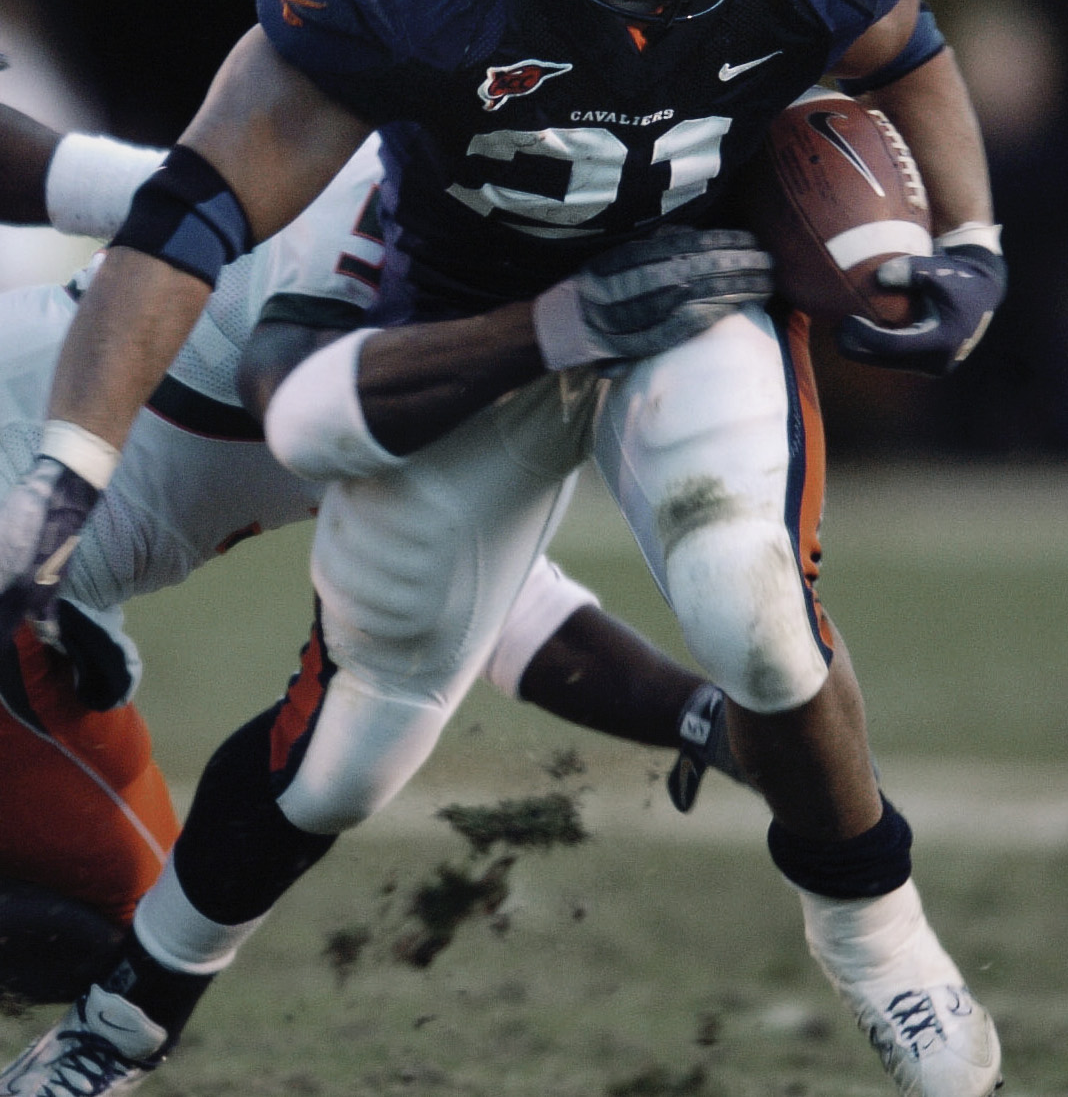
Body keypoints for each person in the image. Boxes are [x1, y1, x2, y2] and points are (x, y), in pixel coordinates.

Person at [0, 0, 1007, 1097]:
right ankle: (118, 1020)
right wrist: (67, 473)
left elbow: (901, 43)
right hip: (433, 328)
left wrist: (969, 238)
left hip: (678, 289)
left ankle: (887, 946)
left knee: (752, 600)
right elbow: (298, 379)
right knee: (335, 764)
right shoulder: (383, 37)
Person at [0, 100, 747, 1000]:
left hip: (45, 584)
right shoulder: (365, 257)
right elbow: (299, 393)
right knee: (126, 929)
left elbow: (493, 604)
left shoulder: (296, 191)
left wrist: (707, 717)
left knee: (131, 902)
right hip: (20, 569)